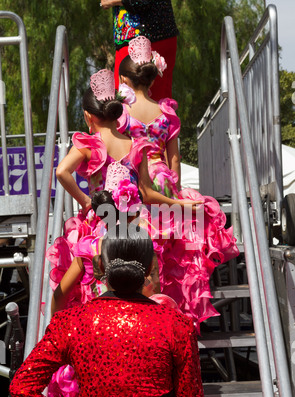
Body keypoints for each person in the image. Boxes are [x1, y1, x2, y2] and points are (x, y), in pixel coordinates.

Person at [10, 225, 206, 397]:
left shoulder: (71, 322)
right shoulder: (176, 324)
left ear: (100, 266)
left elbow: (23, 386)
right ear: (152, 266)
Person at [47, 68, 201, 309]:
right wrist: (181, 205)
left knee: (95, 287)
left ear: (89, 117)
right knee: (151, 296)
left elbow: (61, 172)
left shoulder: (89, 144)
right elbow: (148, 194)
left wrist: (86, 200)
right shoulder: (137, 146)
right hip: (138, 228)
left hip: (104, 230)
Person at [117, 36, 240, 329]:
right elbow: (174, 162)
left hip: (132, 183)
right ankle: (173, 314)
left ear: (123, 79)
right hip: (163, 183)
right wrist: (175, 192)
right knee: (178, 252)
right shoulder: (167, 114)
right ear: (151, 78)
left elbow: (117, 153)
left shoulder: (121, 115)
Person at [99, 0, 178, 100]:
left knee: (145, 99)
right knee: (126, 98)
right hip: (130, 38)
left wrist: (111, 1)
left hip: (149, 37)